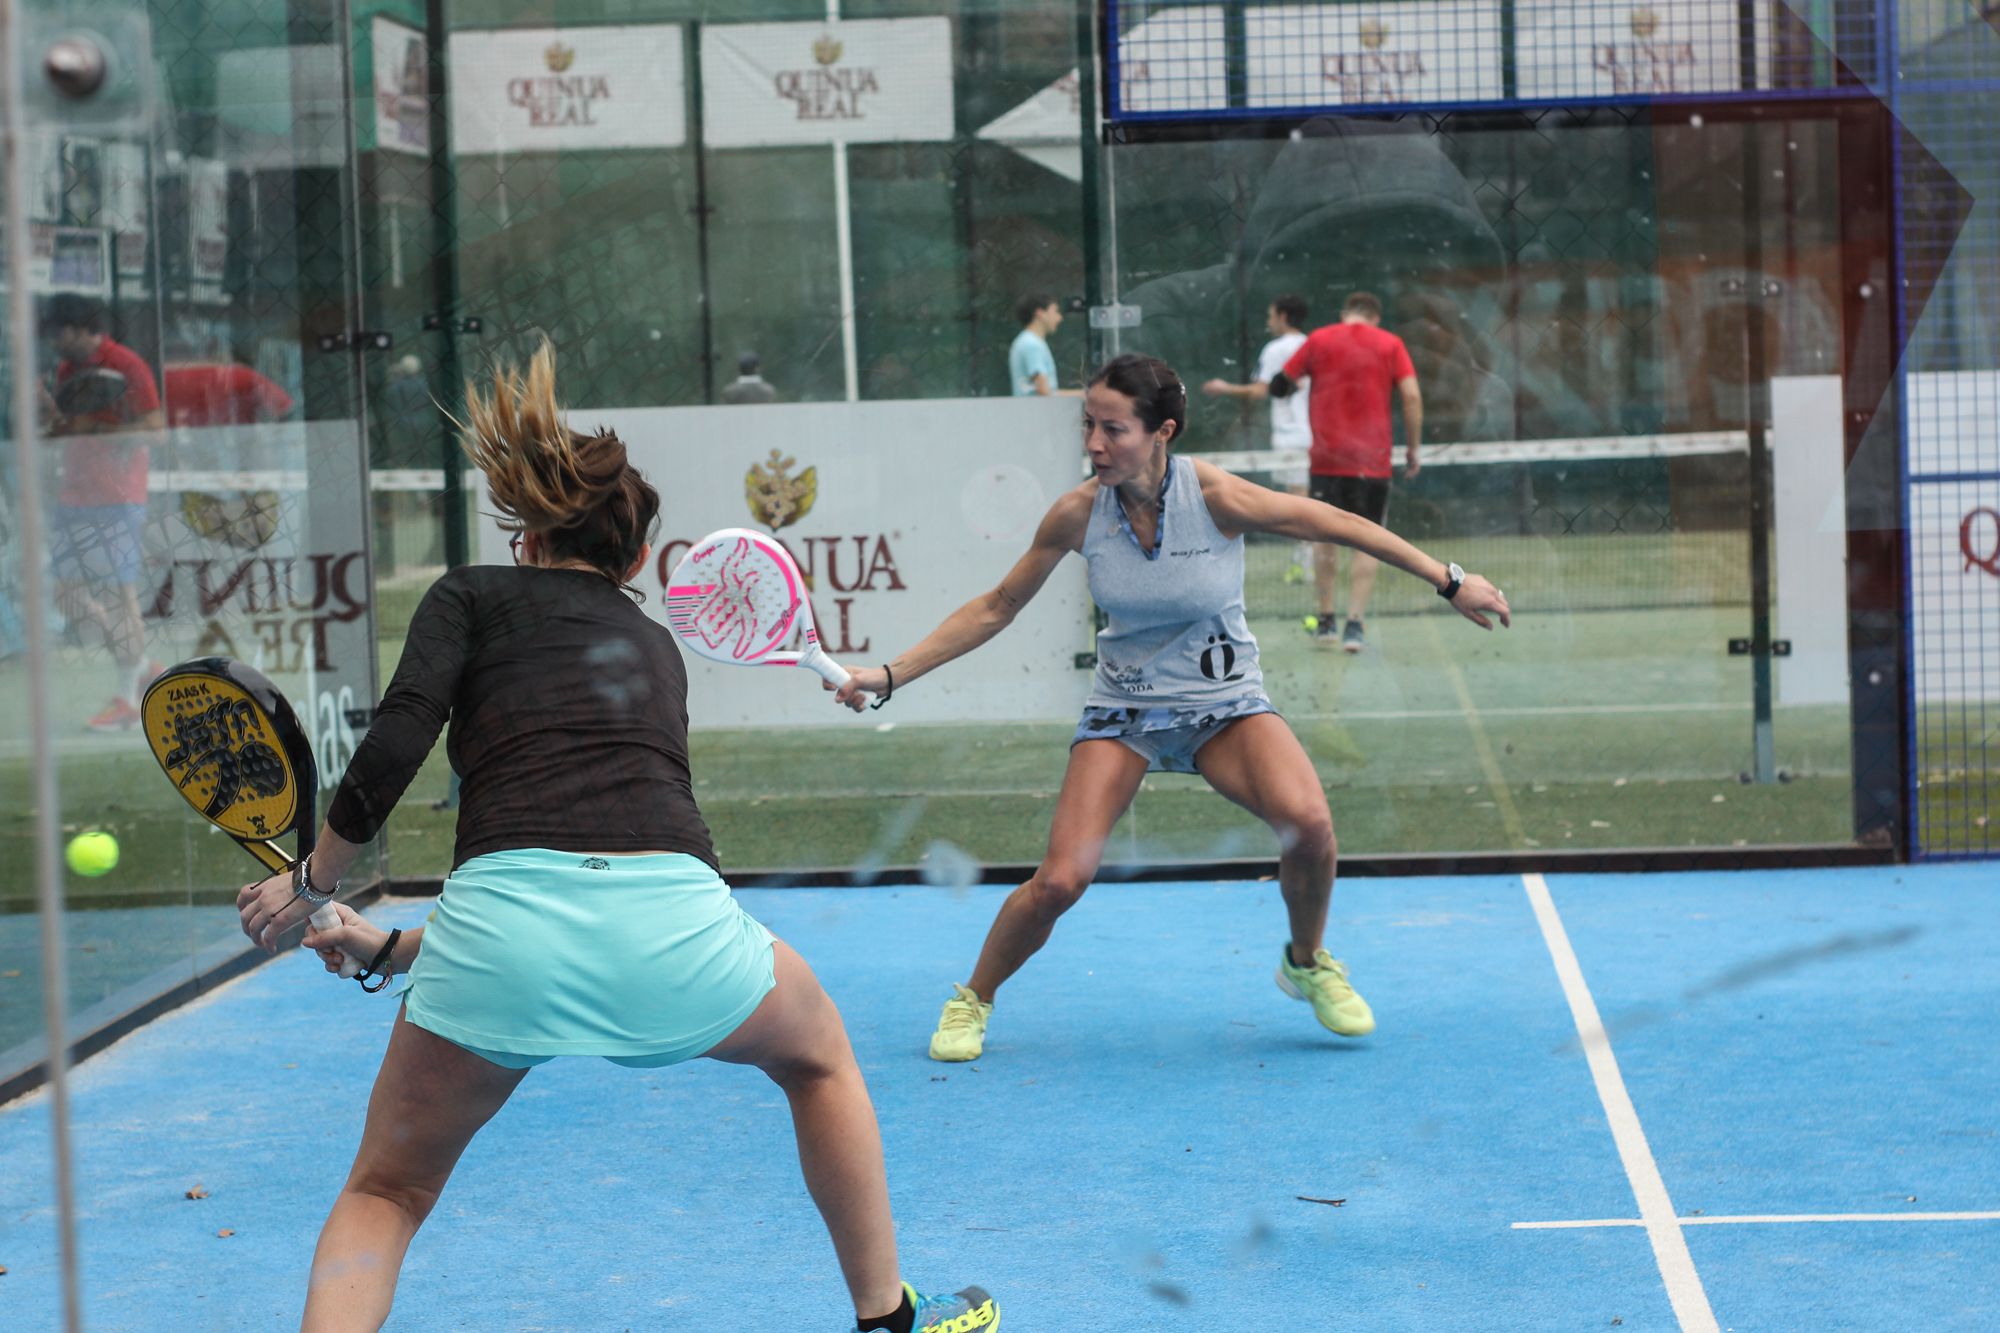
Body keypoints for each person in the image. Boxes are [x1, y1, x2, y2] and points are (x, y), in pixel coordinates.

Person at [234, 344, 995, 1333]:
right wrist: (383, 945)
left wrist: (311, 884)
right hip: (676, 934)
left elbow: (408, 752)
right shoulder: (654, 644)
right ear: (634, 560)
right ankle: (888, 1318)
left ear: (524, 538)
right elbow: (604, 876)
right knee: (818, 1059)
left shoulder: (466, 594)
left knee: (385, 1192)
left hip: (500, 945)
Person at [830, 354, 1508, 1063]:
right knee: (1061, 880)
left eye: (1112, 429)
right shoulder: (1077, 512)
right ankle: (973, 996)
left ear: (1164, 432)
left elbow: (1336, 521)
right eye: (1087, 424)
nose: (1094, 443)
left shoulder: (1216, 498)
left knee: (1310, 825)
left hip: (1225, 706)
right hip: (1125, 711)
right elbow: (998, 606)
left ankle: (1306, 961)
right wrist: (888, 674)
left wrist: (1448, 579)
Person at [1271, 291, 1423, 654]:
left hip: (1327, 461)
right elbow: (1413, 396)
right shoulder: (1391, 343)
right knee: (1368, 540)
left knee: (1325, 538)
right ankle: (1354, 625)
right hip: (1372, 462)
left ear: (1345, 313)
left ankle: (1326, 620)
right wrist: (1413, 449)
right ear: (1375, 316)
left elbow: (1280, 386)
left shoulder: (1320, 339)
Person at [40, 294, 165, 729]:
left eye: (59, 332)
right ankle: (142, 662)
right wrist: (50, 423)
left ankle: (128, 700)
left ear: (80, 329)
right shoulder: (65, 370)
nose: (53, 341)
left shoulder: (128, 365)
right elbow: (68, 430)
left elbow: (156, 429)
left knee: (117, 595)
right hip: (75, 496)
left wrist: (101, 430)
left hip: (119, 497)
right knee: (65, 595)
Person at [1202, 293, 1314, 582]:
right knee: (1302, 499)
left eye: (1271, 316)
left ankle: (1306, 564)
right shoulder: (1312, 344)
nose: (1268, 322)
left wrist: (1223, 387)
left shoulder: (1277, 349)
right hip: (1311, 434)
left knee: (1299, 502)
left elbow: (1259, 391)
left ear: (1283, 316)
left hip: (1293, 436)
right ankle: (1304, 561)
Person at [1007, 294, 1071, 397]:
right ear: (1040, 313)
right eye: (1055, 311)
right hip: (1036, 412)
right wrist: (1082, 395)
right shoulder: (1031, 345)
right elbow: (1044, 392)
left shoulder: (1028, 341)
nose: (1059, 318)